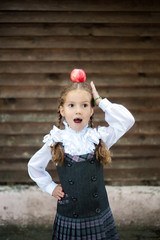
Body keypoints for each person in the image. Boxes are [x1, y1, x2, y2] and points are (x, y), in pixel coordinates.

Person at [28, 70, 135, 240]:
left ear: (92, 110)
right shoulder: (56, 141)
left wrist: (101, 101)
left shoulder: (99, 137)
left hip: (98, 214)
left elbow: (127, 120)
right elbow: (34, 166)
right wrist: (50, 187)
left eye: (84, 105)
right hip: (70, 214)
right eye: (71, 105)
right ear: (62, 110)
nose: (78, 111)